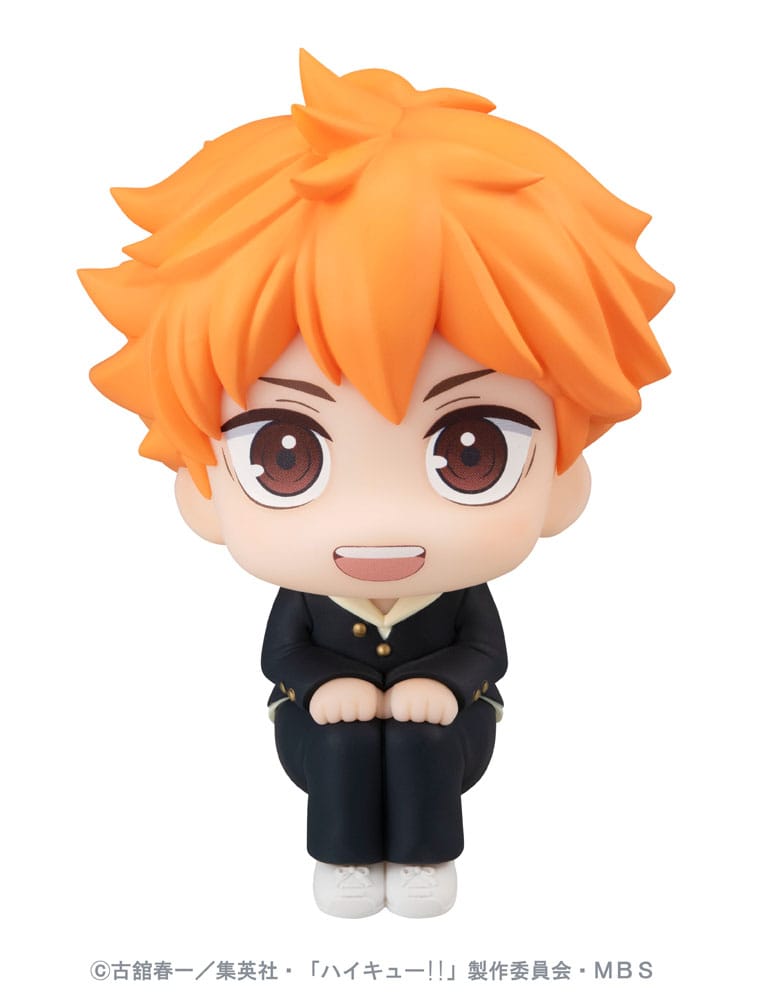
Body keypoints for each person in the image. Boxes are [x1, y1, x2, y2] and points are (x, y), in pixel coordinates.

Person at [79, 50, 673, 918]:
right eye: (285, 456)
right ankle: (345, 858)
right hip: (320, 728)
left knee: (427, 747)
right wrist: (324, 688)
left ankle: (427, 859)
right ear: (203, 489)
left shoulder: (458, 594)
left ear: (562, 481)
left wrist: (447, 687)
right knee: (343, 747)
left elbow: (484, 652)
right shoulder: (308, 598)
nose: (381, 521)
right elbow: (284, 654)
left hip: (451, 729)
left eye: (471, 453)